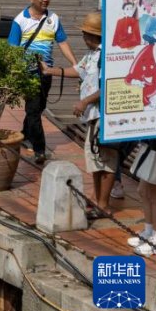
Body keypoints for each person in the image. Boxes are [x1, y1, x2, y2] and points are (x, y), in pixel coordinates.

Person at [43, 13, 110, 219]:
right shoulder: (91, 55)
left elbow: (107, 86)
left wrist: (84, 101)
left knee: (106, 161)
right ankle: (98, 200)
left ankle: (104, 205)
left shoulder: (104, 56)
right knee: (94, 160)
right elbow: (78, 71)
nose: (83, 37)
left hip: (101, 114)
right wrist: (50, 71)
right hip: (91, 115)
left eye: (84, 34)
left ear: (91, 35)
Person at [7, 0, 77, 164]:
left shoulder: (53, 18)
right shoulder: (20, 21)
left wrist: (75, 63)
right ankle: (39, 149)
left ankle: (24, 135)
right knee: (34, 110)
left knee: (37, 107)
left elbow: (62, 42)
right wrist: (14, 72)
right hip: (27, 74)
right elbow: (12, 49)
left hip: (47, 73)